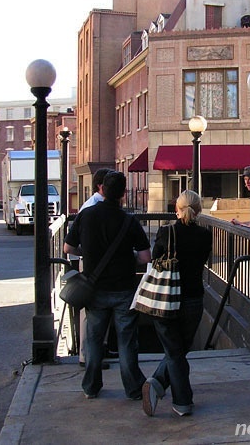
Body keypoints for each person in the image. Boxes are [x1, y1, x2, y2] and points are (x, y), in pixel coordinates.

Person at [64, 171, 151, 400]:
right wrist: (127, 257)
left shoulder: (85, 216)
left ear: (101, 189)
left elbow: (68, 249)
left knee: (93, 340)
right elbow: (145, 257)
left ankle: (91, 386)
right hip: (124, 289)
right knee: (126, 341)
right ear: (123, 193)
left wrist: (88, 254)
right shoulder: (129, 220)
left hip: (95, 289)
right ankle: (132, 388)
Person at [142, 190, 212, 417]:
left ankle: (181, 400)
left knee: (174, 352)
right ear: (199, 210)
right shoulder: (205, 234)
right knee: (179, 350)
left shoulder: (166, 232)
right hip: (193, 298)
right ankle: (161, 386)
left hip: (165, 298)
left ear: (176, 209)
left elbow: (154, 260)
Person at [73, 168, 113, 369]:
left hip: (97, 267)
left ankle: (99, 351)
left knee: (99, 312)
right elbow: (72, 244)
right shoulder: (92, 207)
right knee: (90, 314)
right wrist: (88, 254)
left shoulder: (95, 206)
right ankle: (86, 355)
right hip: (93, 268)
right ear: (101, 186)